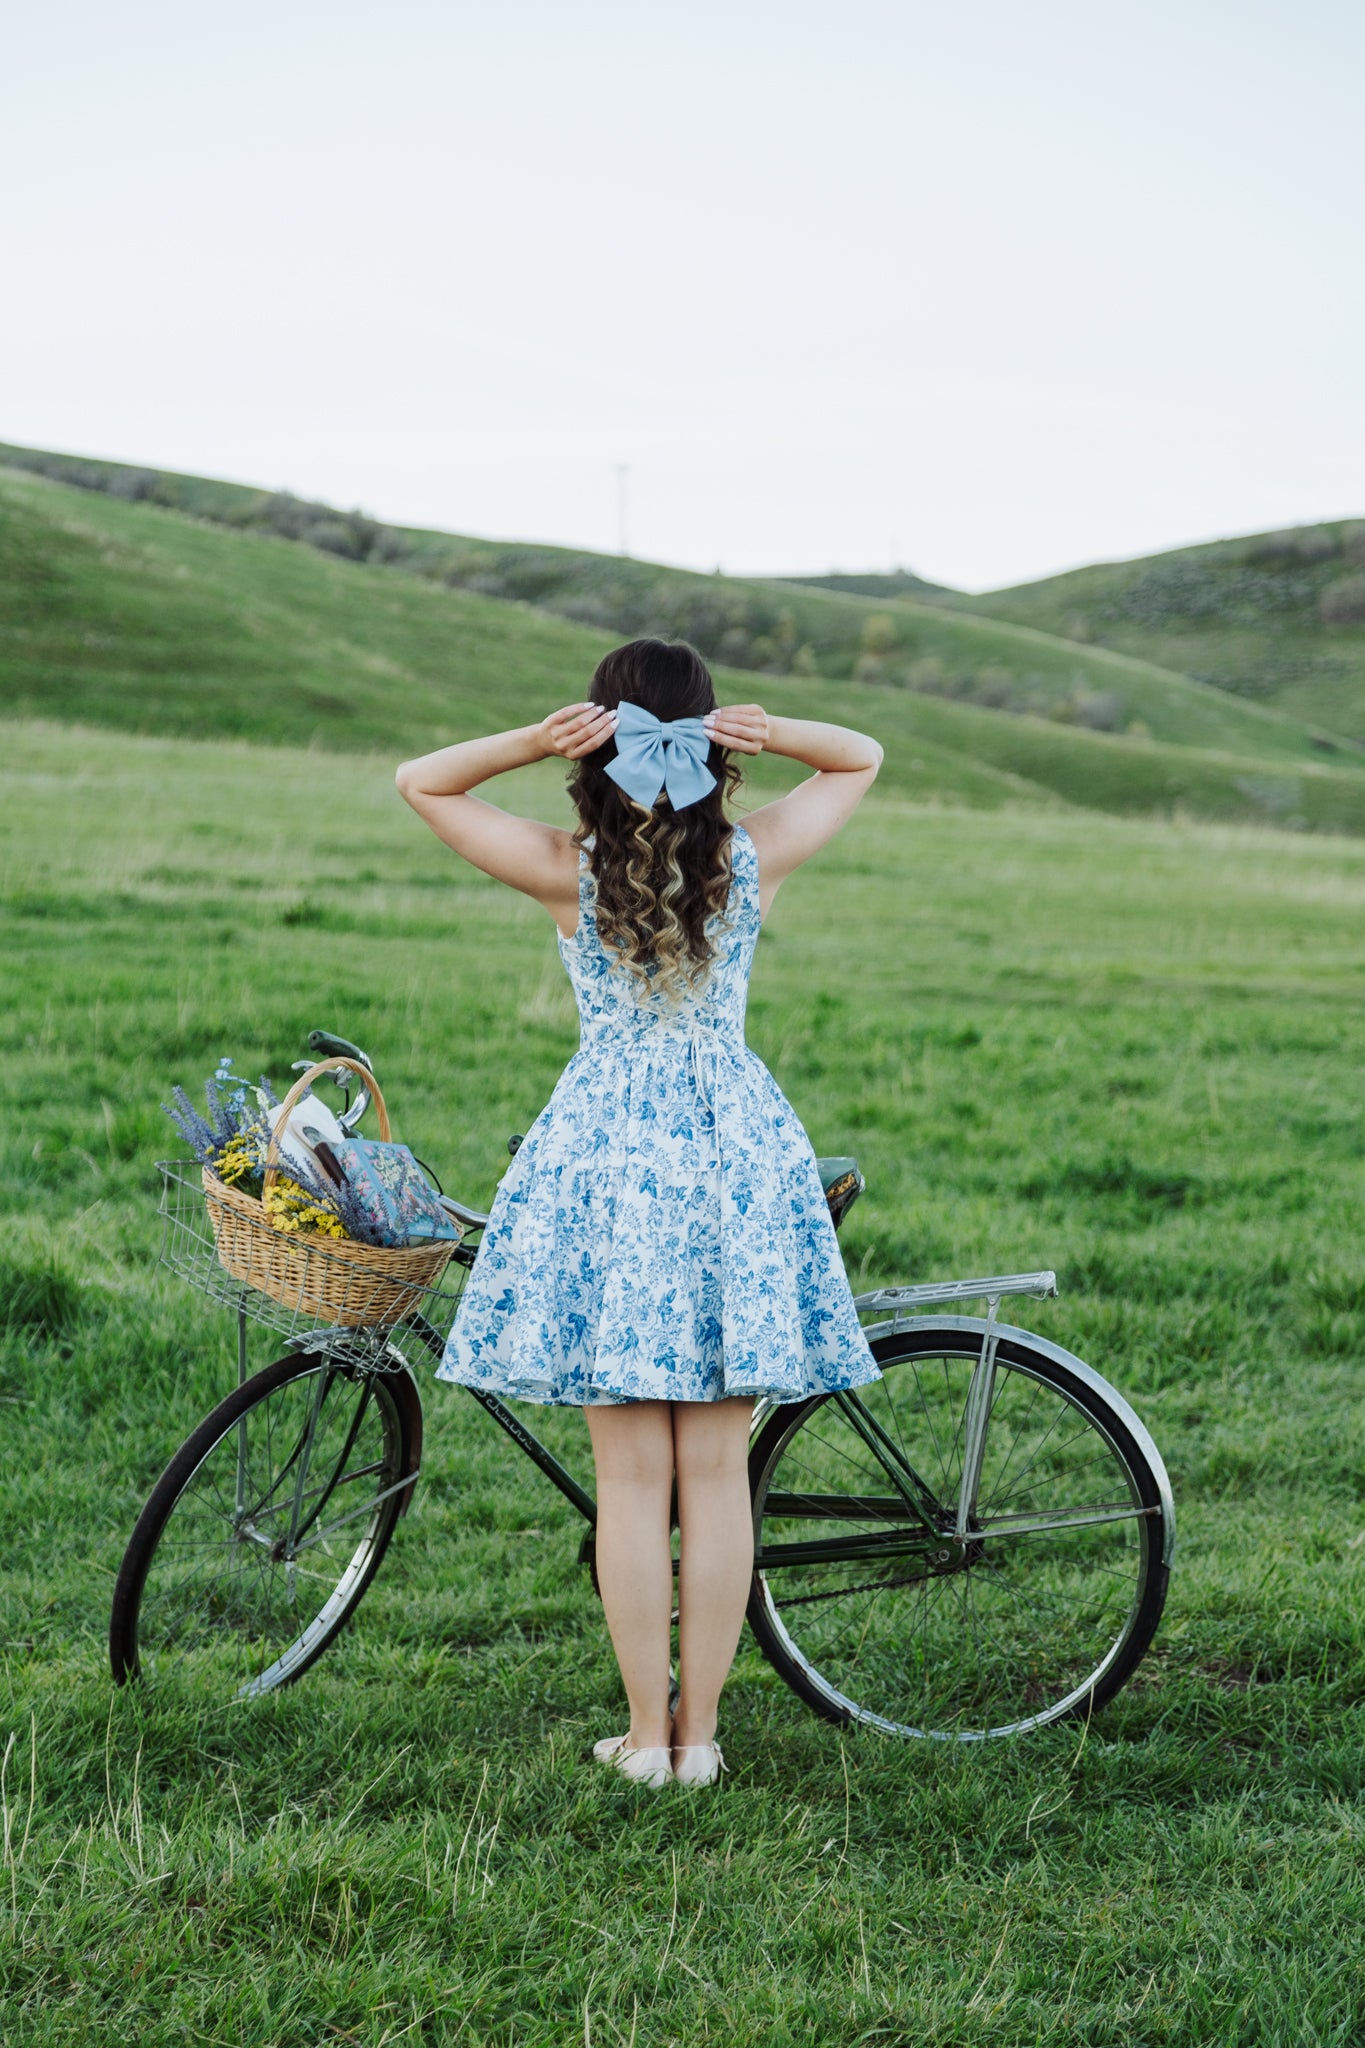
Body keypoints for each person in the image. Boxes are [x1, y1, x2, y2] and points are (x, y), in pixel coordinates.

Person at [396, 638, 884, 1788]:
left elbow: (420, 779)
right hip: (731, 1150)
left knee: (629, 1479)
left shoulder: (569, 868)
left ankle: (644, 1734)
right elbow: (861, 760)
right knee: (714, 1471)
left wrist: (529, 738)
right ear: (716, 741)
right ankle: (701, 1736)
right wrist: (777, 734)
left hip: (607, 1159)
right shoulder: (750, 859)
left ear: (595, 738)